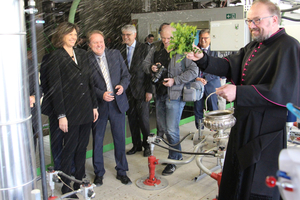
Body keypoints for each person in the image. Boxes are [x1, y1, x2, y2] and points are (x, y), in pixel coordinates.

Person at [186, 0, 300, 199]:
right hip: (244, 122)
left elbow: (283, 91)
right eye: (249, 21)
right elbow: (229, 66)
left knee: (256, 183)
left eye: (256, 20)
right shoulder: (254, 45)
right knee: (237, 173)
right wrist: (202, 59)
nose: (251, 25)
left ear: (274, 19)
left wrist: (239, 92)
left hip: (266, 130)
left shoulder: (289, 46)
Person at [40, 22, 98, 197]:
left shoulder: (82, 54)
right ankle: (66, 185)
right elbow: (56, 89)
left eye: (75, 34)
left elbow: (90, 83)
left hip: (86, 108)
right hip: (69, 111)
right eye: (69, 34)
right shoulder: (54, 57)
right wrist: (61, 115)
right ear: (61, 36)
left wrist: (94, 105)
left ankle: (79, 180)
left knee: (82, 147)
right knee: (69, 148)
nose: (73, 37)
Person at [143, 24, 198, 176]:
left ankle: (174, 159)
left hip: (175, 95)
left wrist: (176, 80)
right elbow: (145, 65)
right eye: (163, 38)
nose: (166, 41)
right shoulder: (155, 49)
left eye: (169, 38)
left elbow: (194, 70)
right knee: (164, 129)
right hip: (159, 94)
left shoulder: (183, 50)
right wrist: (152, 68)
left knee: (172, 129)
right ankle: (175, 155)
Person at [87, 30, 132, 186]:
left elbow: (127, 75)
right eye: (95, 42)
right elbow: (87, 85)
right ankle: (99, 173)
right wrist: (101, 94)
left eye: (101, 41)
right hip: (98, 107)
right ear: (89, 45)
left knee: (120, 139)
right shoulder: (87, 60)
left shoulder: (115, 54)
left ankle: (122, 171)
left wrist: (122, 86)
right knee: (98, 140)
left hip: (117, 104)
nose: (99, 45)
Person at [118, 25, 152, 157]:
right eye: (123, 35)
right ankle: (136, 145)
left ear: (135, 35)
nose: (125, 37)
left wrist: (149, 90)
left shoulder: (145, 49)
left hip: (142, 90)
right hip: (127, 92)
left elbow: (149, 72)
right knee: (132, 120)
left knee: (144, 120)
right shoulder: (119, 50)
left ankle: (147, 145)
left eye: (128, 35)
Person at [194, 29, 221, 129]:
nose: (203, 40)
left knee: (213, 108)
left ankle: (215, 130)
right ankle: (199, 131)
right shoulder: (194, 50)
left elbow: (218, 69)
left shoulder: (216, 51)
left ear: (210, 39)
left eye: (206, 38)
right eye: (201, 38)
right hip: (197, 84)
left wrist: (206, 79)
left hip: (211, 83)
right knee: (198, 108)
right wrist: (197, 78)